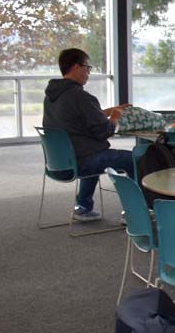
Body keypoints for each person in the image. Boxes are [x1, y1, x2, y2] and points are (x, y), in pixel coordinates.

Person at [41, 48, 132, 222]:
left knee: (94, 154)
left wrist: (106, 112)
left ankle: (83, 206)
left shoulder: (52, 96)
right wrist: (114, 117)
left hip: (58, 164)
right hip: (81, 161)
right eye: (87, 68)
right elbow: (104, 132)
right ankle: (136, 213)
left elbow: (77, 119)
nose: (88, 73)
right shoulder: (80, 96)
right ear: (76, 67)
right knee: (135, 158)